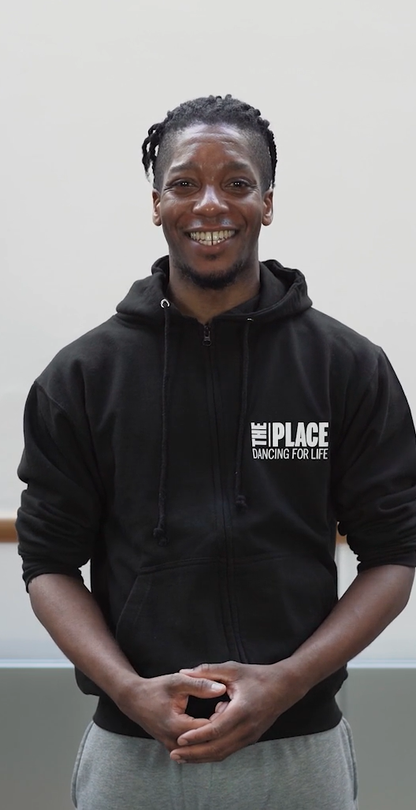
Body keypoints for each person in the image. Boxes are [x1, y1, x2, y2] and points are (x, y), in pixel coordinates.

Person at [17, 95, 416, 810]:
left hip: (299, 750)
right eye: (183, 183)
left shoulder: (347, 367)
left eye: (236, 183)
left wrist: (287, 683)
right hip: (133, 748)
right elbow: (48, 564)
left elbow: (394, 555)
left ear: (267, 202)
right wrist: (130, 691)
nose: (210, 205)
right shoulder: (81, 377)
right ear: (156, 202)